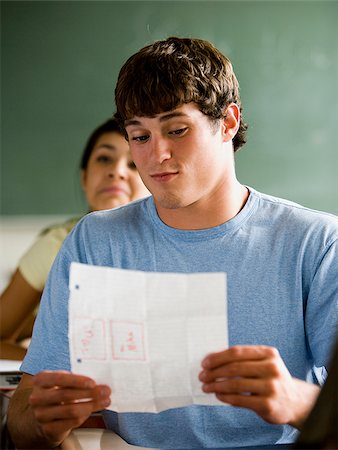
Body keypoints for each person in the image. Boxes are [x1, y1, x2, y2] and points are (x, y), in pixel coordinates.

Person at [7, 37, 337, 449]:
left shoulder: (317, 244)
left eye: (176, 130)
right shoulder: (93, 242)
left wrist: (301, 401)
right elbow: (22, 419)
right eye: (139, 136)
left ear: (229, 122)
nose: (156, 154)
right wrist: (41, 421)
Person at [0, 118, 149, 360]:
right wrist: (49, 364)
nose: (117, 171)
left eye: (133, 164)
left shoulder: (172, 244)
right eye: (104, 159)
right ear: (84, 177)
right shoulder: (56, 244)